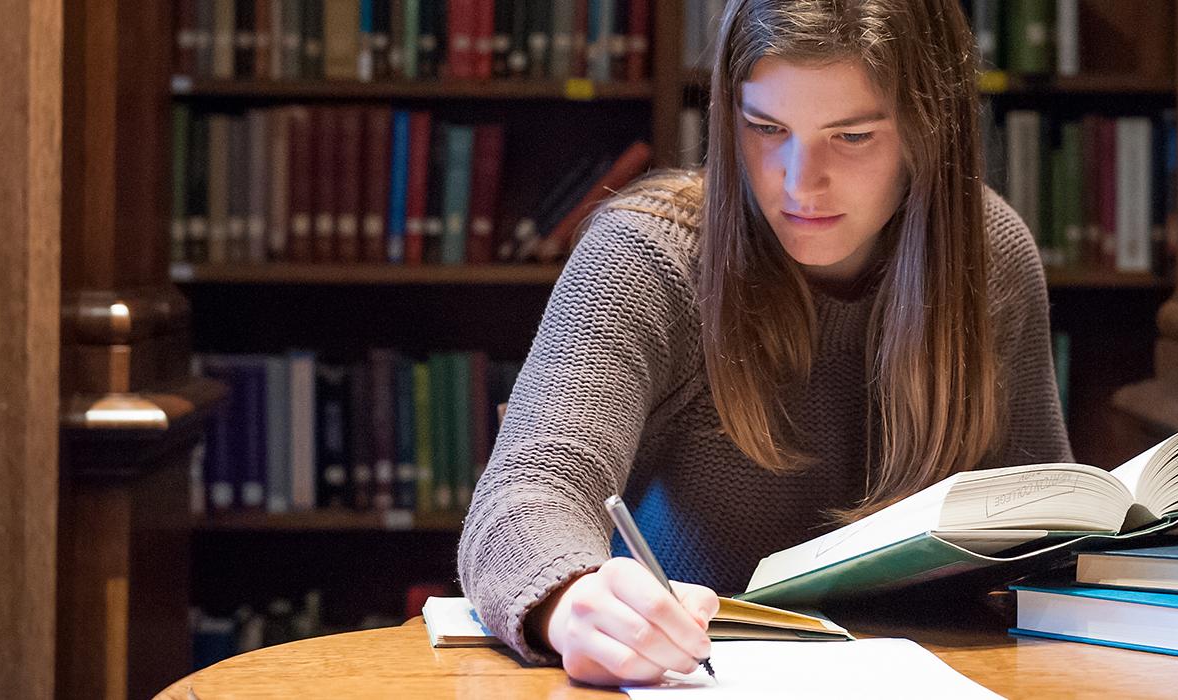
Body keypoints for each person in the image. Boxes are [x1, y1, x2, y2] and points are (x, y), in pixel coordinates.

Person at [457, 0, 1069, 686]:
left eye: (854, 136)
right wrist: (570, 602)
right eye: (765, 127)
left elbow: (1040, 534)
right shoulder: (646, 256)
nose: (800, 182)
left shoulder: (991, 255)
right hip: (695, 680)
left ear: (931, 131)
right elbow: (528, 488)